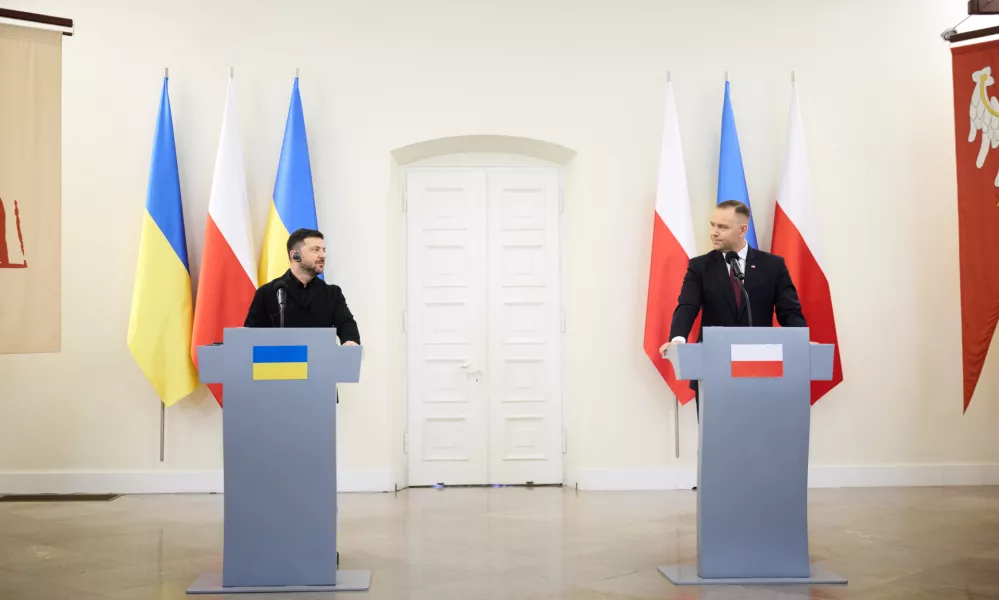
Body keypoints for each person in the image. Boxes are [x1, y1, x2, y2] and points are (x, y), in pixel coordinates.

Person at [659, 200, 807, 417]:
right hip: (713, 367)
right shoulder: (700, 267)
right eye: (713, 225)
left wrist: (802, 338)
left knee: (759, 439)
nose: (714, 232)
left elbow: (789, 312)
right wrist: (678, 339)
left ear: (742, 230)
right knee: (716, 444)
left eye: (723, 227)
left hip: (760, 368)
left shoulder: (772, 266)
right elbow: (687, 306)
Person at [244, 228, 360, 346]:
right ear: (295, 255)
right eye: (315, 250)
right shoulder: (266, 293)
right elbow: (251, 336)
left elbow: (347, 325)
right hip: (278, 363)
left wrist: (350, 341)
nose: (323, 255)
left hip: (320, 362)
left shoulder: (332, 293)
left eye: (323, 250)